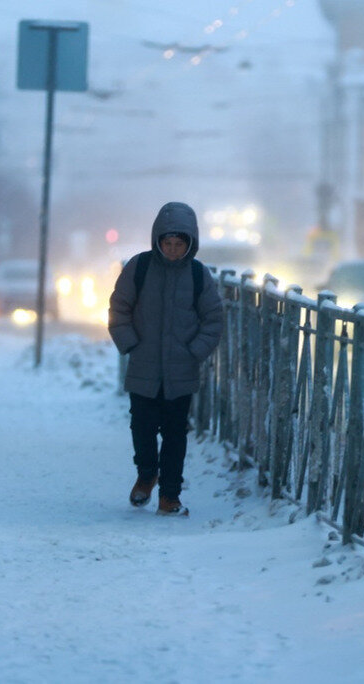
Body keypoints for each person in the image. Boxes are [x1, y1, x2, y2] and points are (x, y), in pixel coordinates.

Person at [108, 202, 224, 518]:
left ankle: (169, 496)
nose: (173, 250)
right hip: (143, 367)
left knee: (175, 435)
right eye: (167, 243)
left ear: (190, 244)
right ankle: (147, 474)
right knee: (142, 428)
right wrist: (130, 344)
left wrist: (194, 351)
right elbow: (119, 308)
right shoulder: (140, 267)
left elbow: (213, 318)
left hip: (181, 371)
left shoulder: (199, 276)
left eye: (179, 244)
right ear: (158, 241)